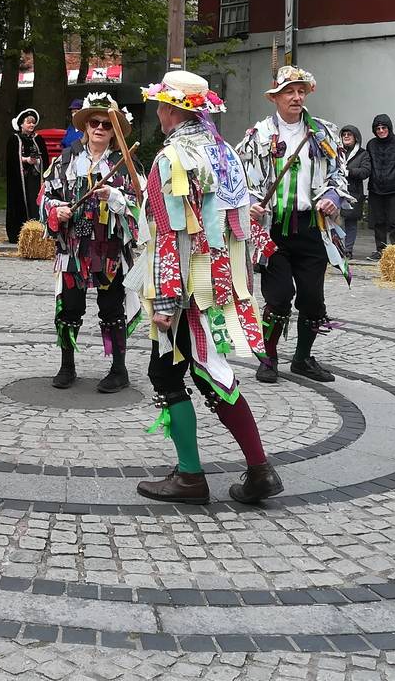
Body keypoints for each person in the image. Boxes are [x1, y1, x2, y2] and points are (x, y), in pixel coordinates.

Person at [131, 72, 282, 505]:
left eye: (161, 106)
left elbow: (168, 233)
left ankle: (193, 477)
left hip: (186, 288)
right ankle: (257, 470)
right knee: (207, 368)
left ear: (172, 110)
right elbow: (242, 222)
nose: (158, 113)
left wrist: (164, 300)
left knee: (173, 373)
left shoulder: (171, 158)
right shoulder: (226, 152)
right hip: (219, 283)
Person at [237, 65, 350, 385]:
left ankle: (302, 359)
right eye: (289, 92)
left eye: (301, 91)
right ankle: (269, 358)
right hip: (273, 228)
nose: (296, 97)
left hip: (312, 226)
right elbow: (242, 180)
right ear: (275, 97)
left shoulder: (324, 133)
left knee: (313, 299)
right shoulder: (258, 136)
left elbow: (339, 174)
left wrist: (332, 197)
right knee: (279, 296)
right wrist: (251, 202)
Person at [39, 92, 143, 394]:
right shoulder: (65, 160)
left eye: (106, 125)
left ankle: (118, 369)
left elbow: (142, 204)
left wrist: (114, 196)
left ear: (114, 131)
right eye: (94, 123)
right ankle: (67, 365)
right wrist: (56, 210)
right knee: (69, 308)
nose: (99, 128)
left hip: (109, 248)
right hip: (73, 247)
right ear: (85, 126)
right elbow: (45, 196)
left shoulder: (126, 164)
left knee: (112, 308)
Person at [365, 114, 395, 259]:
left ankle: (394, 252)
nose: (381, 131)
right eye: (378, 128)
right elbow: (368, 163)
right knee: (378, 222)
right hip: (375, 188)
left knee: (394, 222)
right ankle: (381, 250)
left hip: (394, 189)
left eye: (384, 127)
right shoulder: (371, 144)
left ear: (389, 128)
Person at [5, 108, 49, 244]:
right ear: (21, 124)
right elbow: (12, 159)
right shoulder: (14, 139)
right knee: (21, 203)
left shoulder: (38, 139)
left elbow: (45, 159)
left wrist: (37, 161)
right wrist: (26, 160)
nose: (31, 125)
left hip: (35, 178)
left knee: (35, 202)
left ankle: (37, 232)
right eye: (28, 122)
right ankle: (18, 233)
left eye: (33, 122)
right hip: (20, 179)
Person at [338, 125, 368, 259]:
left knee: (351, 223)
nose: (346, 136)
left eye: (349, 134)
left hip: (353, 192)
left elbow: (365, 171)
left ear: (356, 137)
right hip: (337, 191)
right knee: (336, 222)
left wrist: (349, 172)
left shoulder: (363, 154)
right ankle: (337, 249)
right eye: (344, 134)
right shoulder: (336, 150)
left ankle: (348, 250)